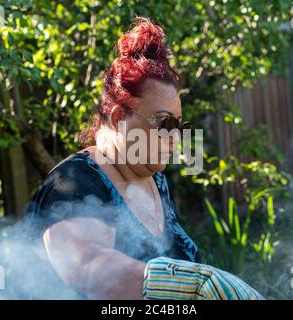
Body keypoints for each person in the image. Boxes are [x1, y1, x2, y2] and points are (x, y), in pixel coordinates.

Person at [24, 17, 264, 300]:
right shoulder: (74, 184)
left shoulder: (154, 178)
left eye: (178, 125)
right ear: (118, 118)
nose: (175, 138)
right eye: (163, 123)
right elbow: (87, 269)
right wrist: (193, 286)